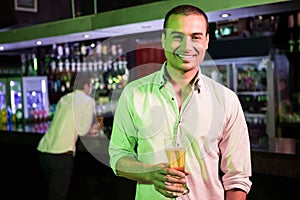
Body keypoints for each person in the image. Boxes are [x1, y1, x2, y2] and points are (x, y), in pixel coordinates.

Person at [109, 4, 252, 200]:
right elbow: (118, 156)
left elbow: (237, 177)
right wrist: (149, 173)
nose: (187, 47)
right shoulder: (133, 93)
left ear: (206, 41)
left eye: (196, 37)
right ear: (164, 40)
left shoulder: (226, 100)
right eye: (177, 37)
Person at [37, 72, 100, 200]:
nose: (92, 88)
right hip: (61, 154)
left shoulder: (64, 98)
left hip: (44, 151)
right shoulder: (88, 101)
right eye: (91, 85)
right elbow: (82, 130)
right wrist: (94, 129)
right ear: (87, 86)